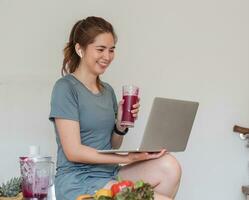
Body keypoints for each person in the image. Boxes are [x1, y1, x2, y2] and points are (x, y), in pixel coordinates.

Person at [49, 16, 181, 200]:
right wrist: (128, 158)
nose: (107, 56)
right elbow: (74, 151)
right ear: (80, 49)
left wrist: (120, 125)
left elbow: (111, 145)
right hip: (78, 180)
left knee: (169, 166)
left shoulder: (107, 90)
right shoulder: (65, 88)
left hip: (109, 173)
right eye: (100, 49)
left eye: (111, 50)